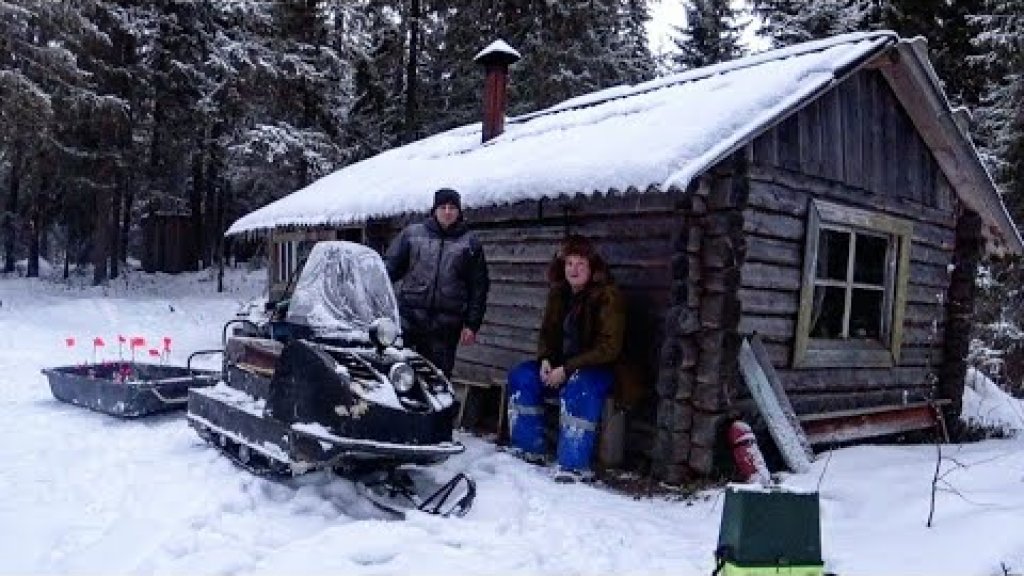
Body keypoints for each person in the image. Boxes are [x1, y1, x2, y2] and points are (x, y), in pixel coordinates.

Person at [506, 234, 625, 482]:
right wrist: (546, 360)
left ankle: (573, 464)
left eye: (581, 263)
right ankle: (529, 447)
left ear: (592, 267)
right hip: (564, 366)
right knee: (522, 376)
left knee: (579, 386)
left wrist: (568, 369)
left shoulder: (608, 296)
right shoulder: (559, 294)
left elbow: (609, 348)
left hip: (603, 370)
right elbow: (548, 334)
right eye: (569, 263)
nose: (574, 269)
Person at [385, 188, 489, 376]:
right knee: (399, 371)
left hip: (446, 326)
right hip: (409, 319)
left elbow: (478, 287)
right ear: (434, 210)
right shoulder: (412, 235)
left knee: (437, 379)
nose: (447, 212)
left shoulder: (470, 243)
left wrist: (472, 324)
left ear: (459, 211)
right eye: (443, 207)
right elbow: (389, 270)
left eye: (452, 207)